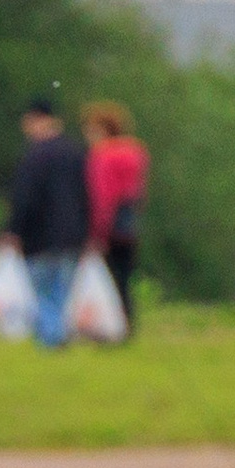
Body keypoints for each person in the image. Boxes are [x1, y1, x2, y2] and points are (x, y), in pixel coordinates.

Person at [0, 94, 89, 350]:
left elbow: (24, 199)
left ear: (35, 120)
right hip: (73, 235)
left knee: (44, 291)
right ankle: (58, 333)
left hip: (40, 236)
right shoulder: (75, 153)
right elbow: (86, 195)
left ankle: (52, 339)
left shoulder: (34, 156)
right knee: (62, 291)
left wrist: (13, 230)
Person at [80, 99, 150, 334]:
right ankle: (128, 325)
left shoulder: (103, 156)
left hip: (109, 227)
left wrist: (96, 232)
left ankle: (109, 326)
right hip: (129, 225)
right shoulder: (135, 153)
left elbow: (103, 197)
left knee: (108, 279)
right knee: (125, 279)